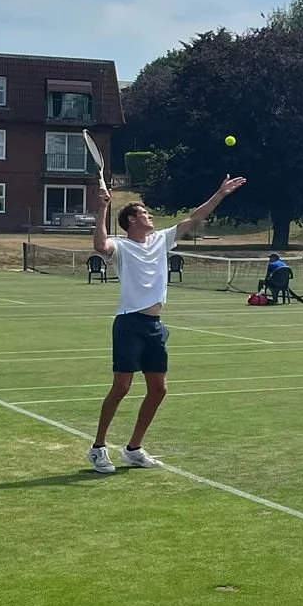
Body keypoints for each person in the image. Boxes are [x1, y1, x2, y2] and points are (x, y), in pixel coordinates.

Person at [87, 172, 246, 474]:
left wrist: (221, 193)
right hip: (128, 324)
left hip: (155, 327)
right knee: (121, 387)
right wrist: (103, 209)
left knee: (158, 390)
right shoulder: (120, 246)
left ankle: (133, 449)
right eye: (144, 213)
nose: (150, 217)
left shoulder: (161, 240)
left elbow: (194, 219)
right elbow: (99, 245)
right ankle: (98, 448)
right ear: (132, 221)